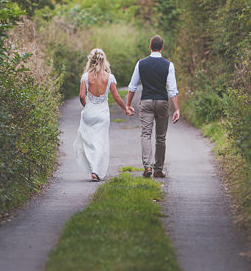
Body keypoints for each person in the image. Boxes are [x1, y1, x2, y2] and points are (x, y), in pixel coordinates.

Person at [125, 35, 180, 178]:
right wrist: (177, 109)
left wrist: (128, 105)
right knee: (161, 137)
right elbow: (172, 90)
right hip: (162, 102)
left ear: (150, 47)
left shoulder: (141, 64)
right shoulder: (169, 65)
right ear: (162, 48)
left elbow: (132, 86)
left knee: (145, 134)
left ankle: (147, 166)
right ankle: (158, 169)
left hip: (146, 102)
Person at [74, 48, 132, 181]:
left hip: (89, 112)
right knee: (100, 142)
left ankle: (92, 167)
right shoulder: (109, 77)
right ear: (103, 60)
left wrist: (86, 106)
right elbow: (116, 97)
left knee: (89, 140)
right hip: (103, 114)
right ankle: (95, 170)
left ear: (91, 60)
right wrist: (125, 108)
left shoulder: (85, 77)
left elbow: (82, 95)